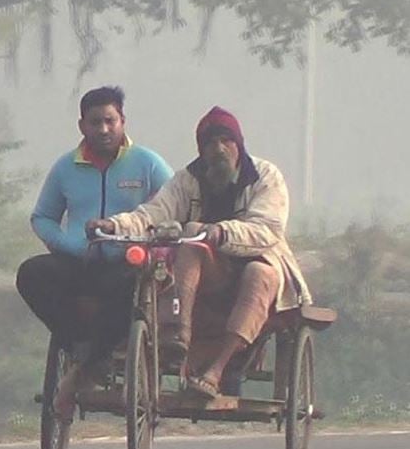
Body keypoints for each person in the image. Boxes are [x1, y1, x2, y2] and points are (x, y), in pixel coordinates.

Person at [89, 106, 311, 398]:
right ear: (201, 150)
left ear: (238, 144)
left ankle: (216, 371)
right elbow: (152, 214)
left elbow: (267, 229)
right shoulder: (186, 180)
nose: (218, 149)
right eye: (210, 143)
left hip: (258, 266)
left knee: (258, 272)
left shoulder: (265, 176)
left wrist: (222, 232)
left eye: (225, 140)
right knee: (192, 236)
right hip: (207, 276)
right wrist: (114, 225)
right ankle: (177, 337)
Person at [16, 86, 173, 420]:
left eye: (110, 121)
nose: (104, 129)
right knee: (31, 273)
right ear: (82, 126)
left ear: (123, 122)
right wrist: (68, 245)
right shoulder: (65, 168)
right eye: (95, 122)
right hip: (78, 262)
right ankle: (77, 345)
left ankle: (90, 360)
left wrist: (150, 249)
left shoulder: (148, 164)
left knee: (127, 290)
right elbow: (42, 217)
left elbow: (176, 214)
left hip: (129, 265)